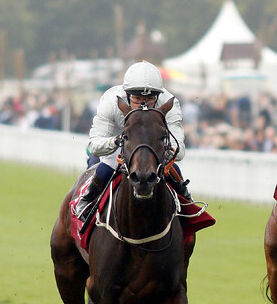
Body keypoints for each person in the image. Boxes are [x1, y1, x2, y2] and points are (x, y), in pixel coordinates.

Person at [75, 60, 190, 221]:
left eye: (150, 98)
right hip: (117, 145)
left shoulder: (169, 103)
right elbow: (94, 146)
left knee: (172, 168)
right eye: (137, 98)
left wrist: (163, 149)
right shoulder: (111, 101)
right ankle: (85, 201)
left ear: (158, 96)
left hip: (152, 147)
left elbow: (180, 151)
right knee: (109, 164)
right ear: (127, 95)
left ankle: (186, 203)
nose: (143, 103)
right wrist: (117, 141)